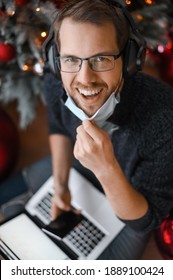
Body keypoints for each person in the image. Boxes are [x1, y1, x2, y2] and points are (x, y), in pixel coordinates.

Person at [1, 0, 173, 259]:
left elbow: (146, 219)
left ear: (128, 60)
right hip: (78, 166)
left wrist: (106, 168)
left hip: (128, 194)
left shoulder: (165, 119)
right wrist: (60, 186)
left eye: (101, 59)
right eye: (71, 59)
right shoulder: (56, 76)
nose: (84, 79)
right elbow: (58, 124)